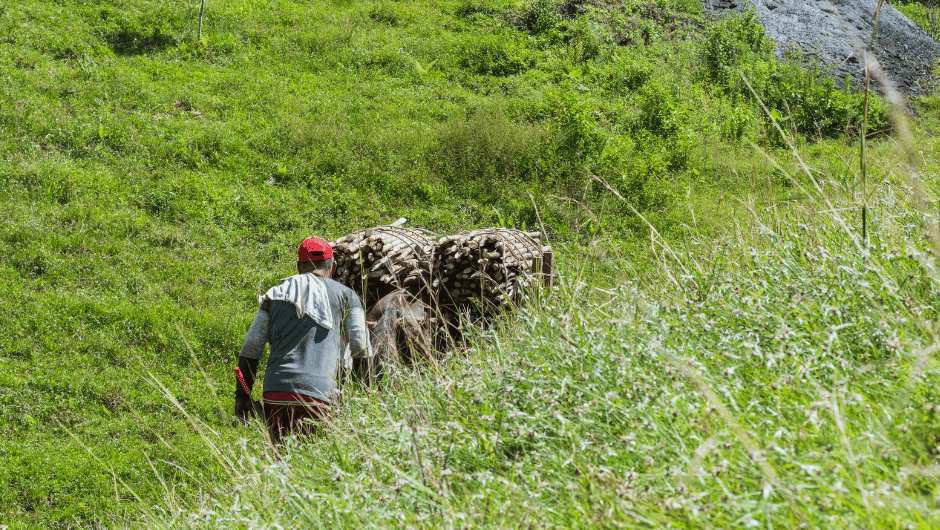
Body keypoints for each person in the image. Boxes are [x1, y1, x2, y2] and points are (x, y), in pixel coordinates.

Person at [234, 236, 372, 446]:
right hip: (321, 395)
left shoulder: (274, 295)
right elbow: (360, 346)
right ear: (332, 266)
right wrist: (365, 393)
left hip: (276, 393)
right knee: (314, 463)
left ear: (299, 266)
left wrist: (242, 396)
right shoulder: (347, 296)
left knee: (281, 458)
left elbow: (251, 348)